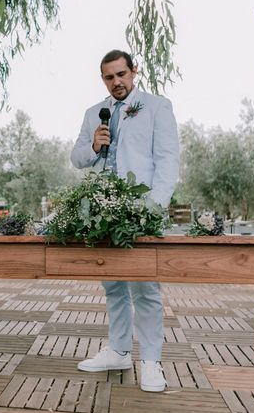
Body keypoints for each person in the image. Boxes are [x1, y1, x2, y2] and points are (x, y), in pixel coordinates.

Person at [71, 50, 179, 392]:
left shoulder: (158, 107)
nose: (117, 82)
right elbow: (77, 158)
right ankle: (118, 351)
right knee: (113, 285)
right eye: (109, 77)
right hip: (104, 212)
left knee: (146, 288)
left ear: (134, 72)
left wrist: (152, 208)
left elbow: (167, 162)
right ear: (102, 79)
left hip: (141, 211)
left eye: (122, 74)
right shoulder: (94, 114)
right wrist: (93, 144)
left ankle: (150, 361)